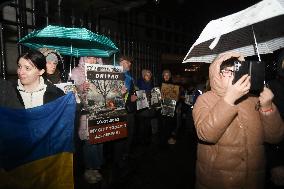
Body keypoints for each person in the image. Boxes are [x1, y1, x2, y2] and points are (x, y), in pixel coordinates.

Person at [192, 52, 284, 189]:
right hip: (218, 182)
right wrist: (229, 99)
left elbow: (275, 137)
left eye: (236, 71)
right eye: (227, 71)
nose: (233, 75)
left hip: (253, 181)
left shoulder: (253, 99)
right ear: (216, 74)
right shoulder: (205, 99)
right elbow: (206, 134)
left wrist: (267, 108)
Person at [70, 56, 103, 184]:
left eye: (95, 58)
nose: (93, 61)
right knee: (90, 141)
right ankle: (89, 169)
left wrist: (118, 90)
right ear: (83, 59)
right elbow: (70, 93)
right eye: (89, 58)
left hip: (100, 112)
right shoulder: (76, 72)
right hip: (85, 114)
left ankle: (96, 168)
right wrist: (80, 87)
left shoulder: (102, 72)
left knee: (99, 139)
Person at [159, 69, 178, 146]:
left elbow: (176, 98)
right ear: (163, 76)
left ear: (170, 76)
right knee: (162, 124)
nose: (166, 76)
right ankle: (162, 141)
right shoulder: (159, 84)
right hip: (161, 108)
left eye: (168, 75)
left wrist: (176, 99)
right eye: (165, 75)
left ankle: (169, 138)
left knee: (169, 124)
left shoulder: (173, 85)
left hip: (170, 108)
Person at [136, 69, 155, 145]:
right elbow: (140, 92)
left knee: (147, 124)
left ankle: (146, 139)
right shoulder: (140, 82)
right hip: (142, 107)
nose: (149, 76)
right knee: (142, 124)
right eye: (147, 74)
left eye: (150, 74)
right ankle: (141, 140)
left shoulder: (150, 83)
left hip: (148, 106)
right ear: (144, 75)